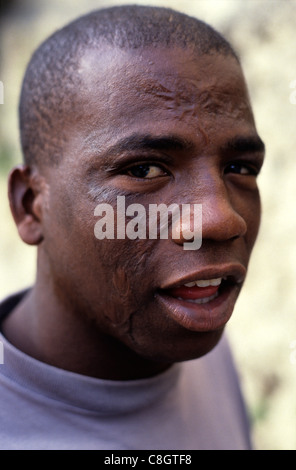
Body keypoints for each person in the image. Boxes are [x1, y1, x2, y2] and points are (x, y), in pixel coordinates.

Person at [0, 5, 265, 450]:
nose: (221, 218)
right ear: (31, 206)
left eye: (239, 167)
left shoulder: (198, 335)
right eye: (143, 170)